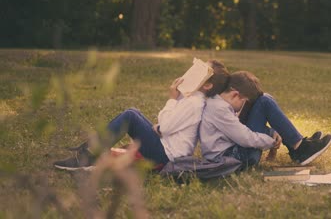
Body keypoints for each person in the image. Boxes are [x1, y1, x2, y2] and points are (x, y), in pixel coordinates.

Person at [53, 60, 230, 171]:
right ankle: (91, 150)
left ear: (207, 85)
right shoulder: (191, 98)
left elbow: (166, 127)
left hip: (165, 156)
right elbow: (166, 126)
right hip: (164, 147)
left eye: (201, 71)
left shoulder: (193, 103)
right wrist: (161, 126)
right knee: (134, 112)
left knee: (131, 116)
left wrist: (172, 100)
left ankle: (88, 156)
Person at [199, 71, 331, 168]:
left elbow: (238, 130)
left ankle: (296, 145)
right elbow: (246, 138)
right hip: (236, 157)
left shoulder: (219, 103)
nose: (243, 107)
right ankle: (300, 148)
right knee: (264, 101)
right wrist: (271, 141)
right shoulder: (219, 109)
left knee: (264, 98)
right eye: (244, 102)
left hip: (234, 151)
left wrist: (272, 131)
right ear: (235, 94)